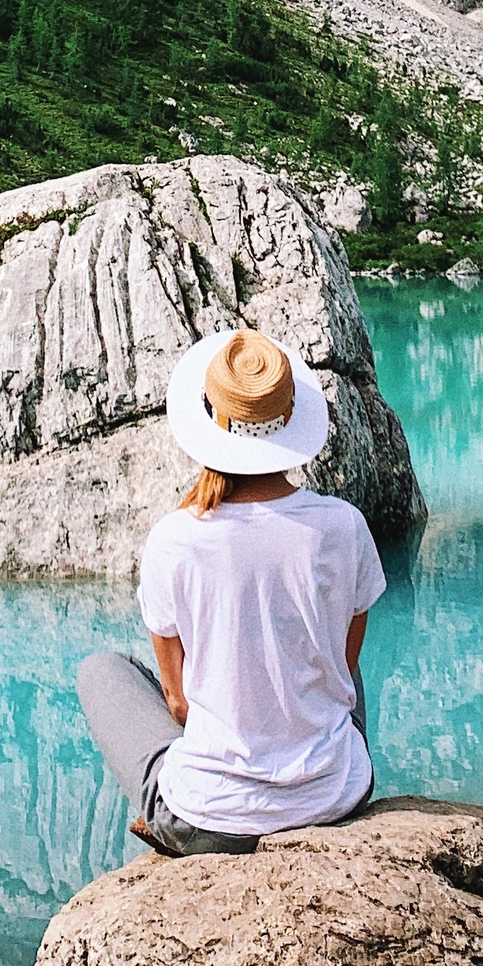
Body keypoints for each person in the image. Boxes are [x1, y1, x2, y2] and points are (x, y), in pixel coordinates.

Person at [76, 326, 387, 857]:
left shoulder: (175, 538)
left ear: (208, 421)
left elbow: (177, 704)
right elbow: (344, 667)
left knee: (102, 670)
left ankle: (196, 809)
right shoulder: (344, 525)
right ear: (290, 422)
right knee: (336, 659)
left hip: (208, 821)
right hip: (335, 797)